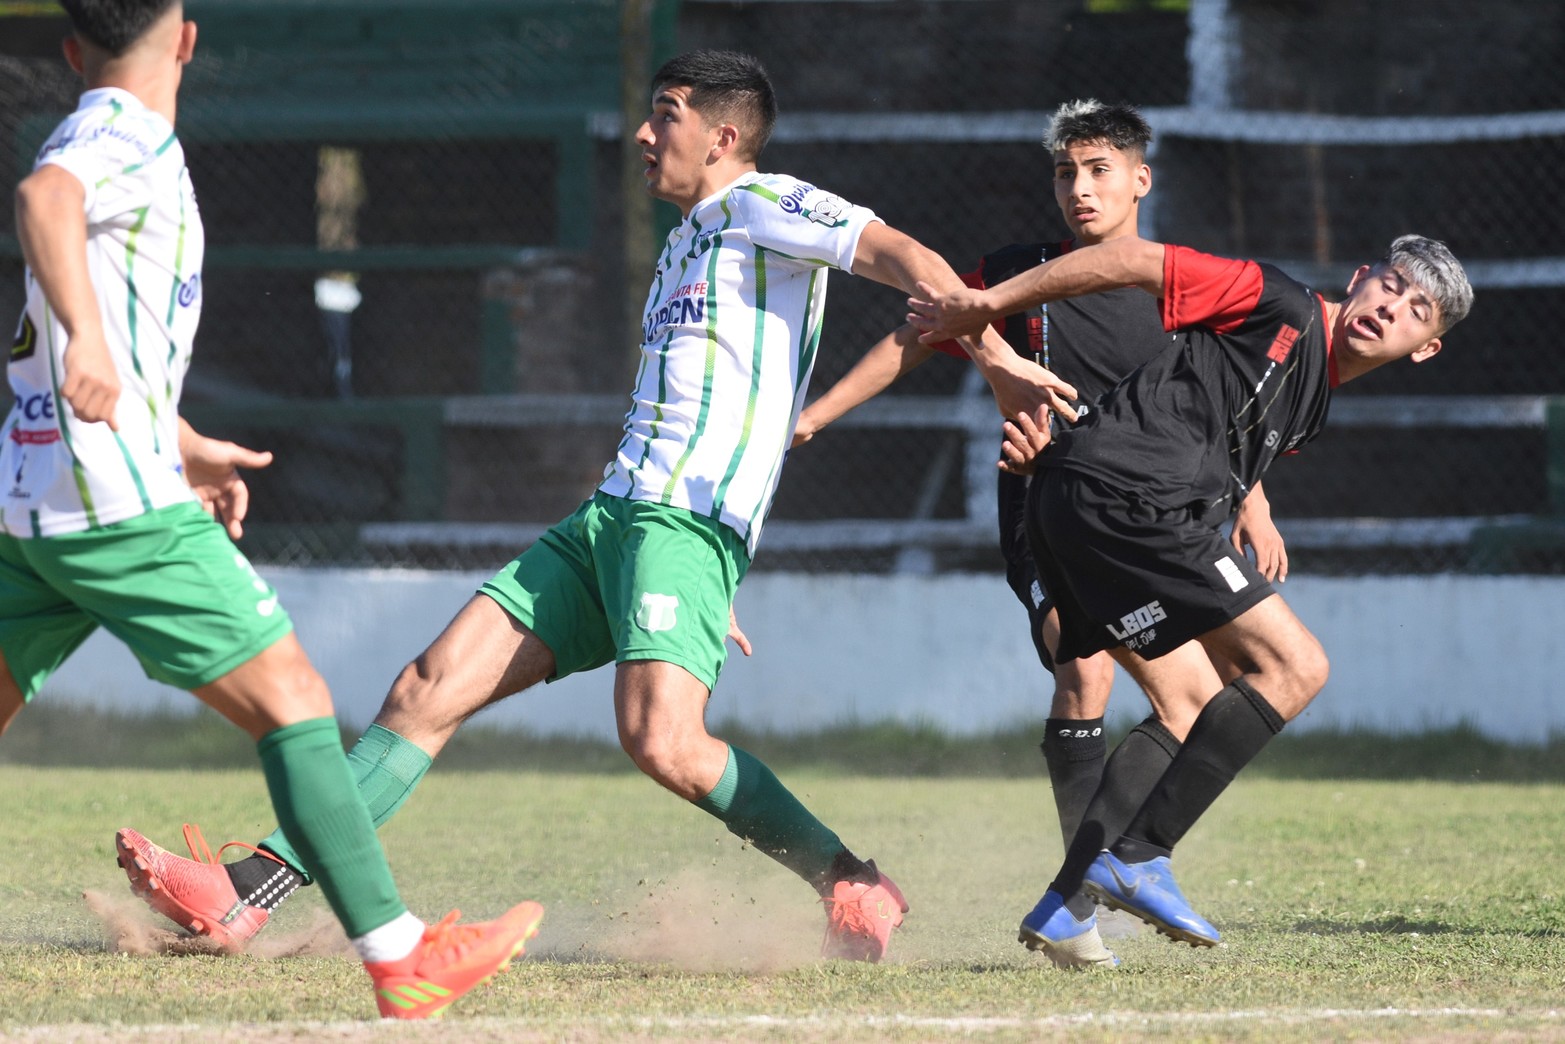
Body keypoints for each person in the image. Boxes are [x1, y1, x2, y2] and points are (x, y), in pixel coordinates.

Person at [115, 49, 1071, 964]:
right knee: (424, 689)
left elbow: (911, 258)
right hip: (612, 521)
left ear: (725, 136)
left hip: (678, 526)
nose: (645, 134)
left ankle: (850, 881)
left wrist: (995, 361)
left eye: (667, 115)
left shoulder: (764, 202)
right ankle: (246, 892)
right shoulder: (686, 239)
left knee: (663, 742)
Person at [2, 0, 542, 1020]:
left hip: (35, 493)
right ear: (187, 40)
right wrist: (89, 340)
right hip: (115, 504)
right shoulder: (120, 132)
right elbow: (44, 201)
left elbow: (94, 315)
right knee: (293, 700)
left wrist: (177, 435)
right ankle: (401, 958)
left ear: (72, 50)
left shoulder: (94, 130)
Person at [794, 99, 1285, 967]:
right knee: (1082, 666)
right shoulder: (1016, 278)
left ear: (1140, 180)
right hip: (1044, 507)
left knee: (1197, 696)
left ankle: (1084, 886)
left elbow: (1219, 410)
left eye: (1098, 171)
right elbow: (916, 336)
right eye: (1065, 172)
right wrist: (813, 417)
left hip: (1153, 515)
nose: (1079, 188)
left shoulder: (1178, 290)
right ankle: (1082, 899)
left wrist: (1254, 501)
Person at [909, 230, 1472, 960]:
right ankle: (1140, 856)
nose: (1392, 308)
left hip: (1086, 502)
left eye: (1417, 310)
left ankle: (1068, 905)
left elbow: (1204, 432)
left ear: (1426, 347)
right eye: (1390, 285)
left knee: (1193, 701)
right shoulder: (1279, 302)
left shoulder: (1310, 398)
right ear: (1360, 278)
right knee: (1297, 666)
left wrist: (1248, 504)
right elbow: (1131, 260)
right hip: (1128, 501)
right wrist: (988, 303)